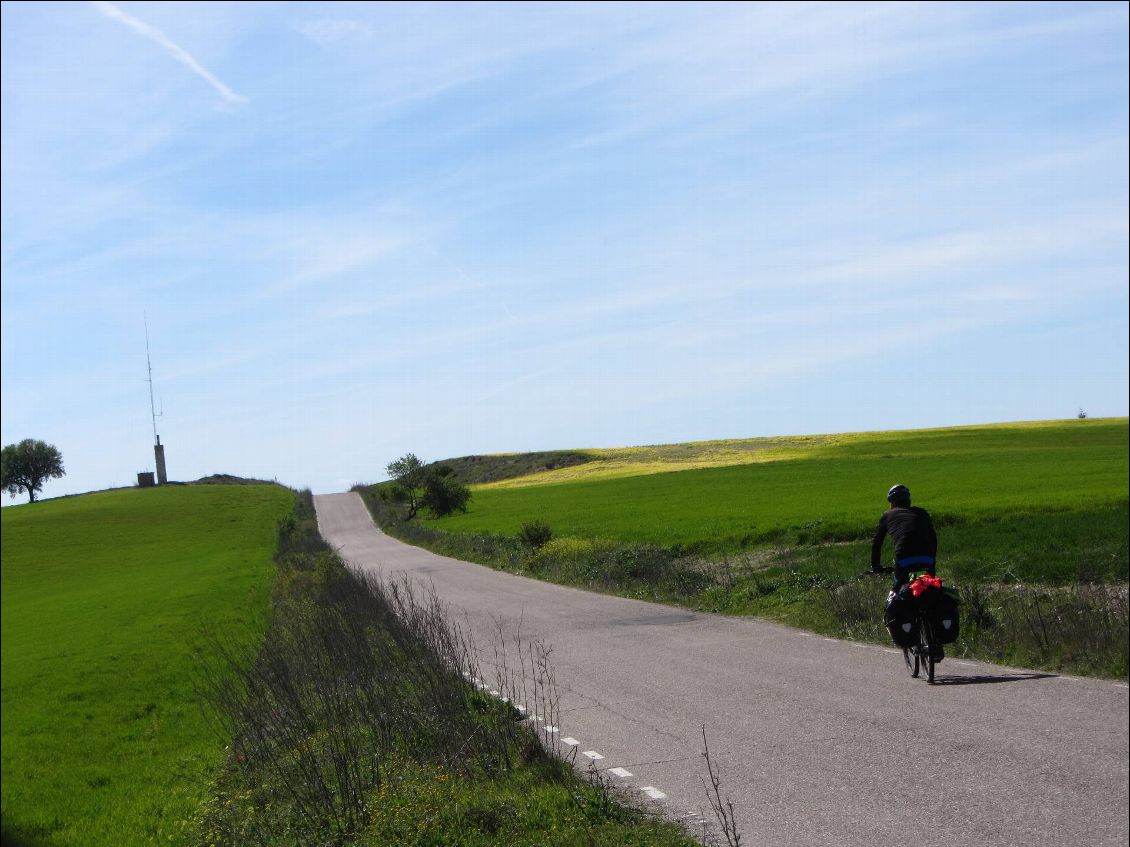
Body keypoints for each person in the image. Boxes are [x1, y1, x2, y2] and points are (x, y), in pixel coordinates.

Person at [870, 484, 937, 587]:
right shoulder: (922, 513)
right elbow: (933, 539)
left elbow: (877, 543)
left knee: (900, 592)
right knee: (930, 587)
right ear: (908, 500)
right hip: (927, 559)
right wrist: (932, 559)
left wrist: (876, 566)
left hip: (905, 559)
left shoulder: (887, 516)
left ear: (892, 503)